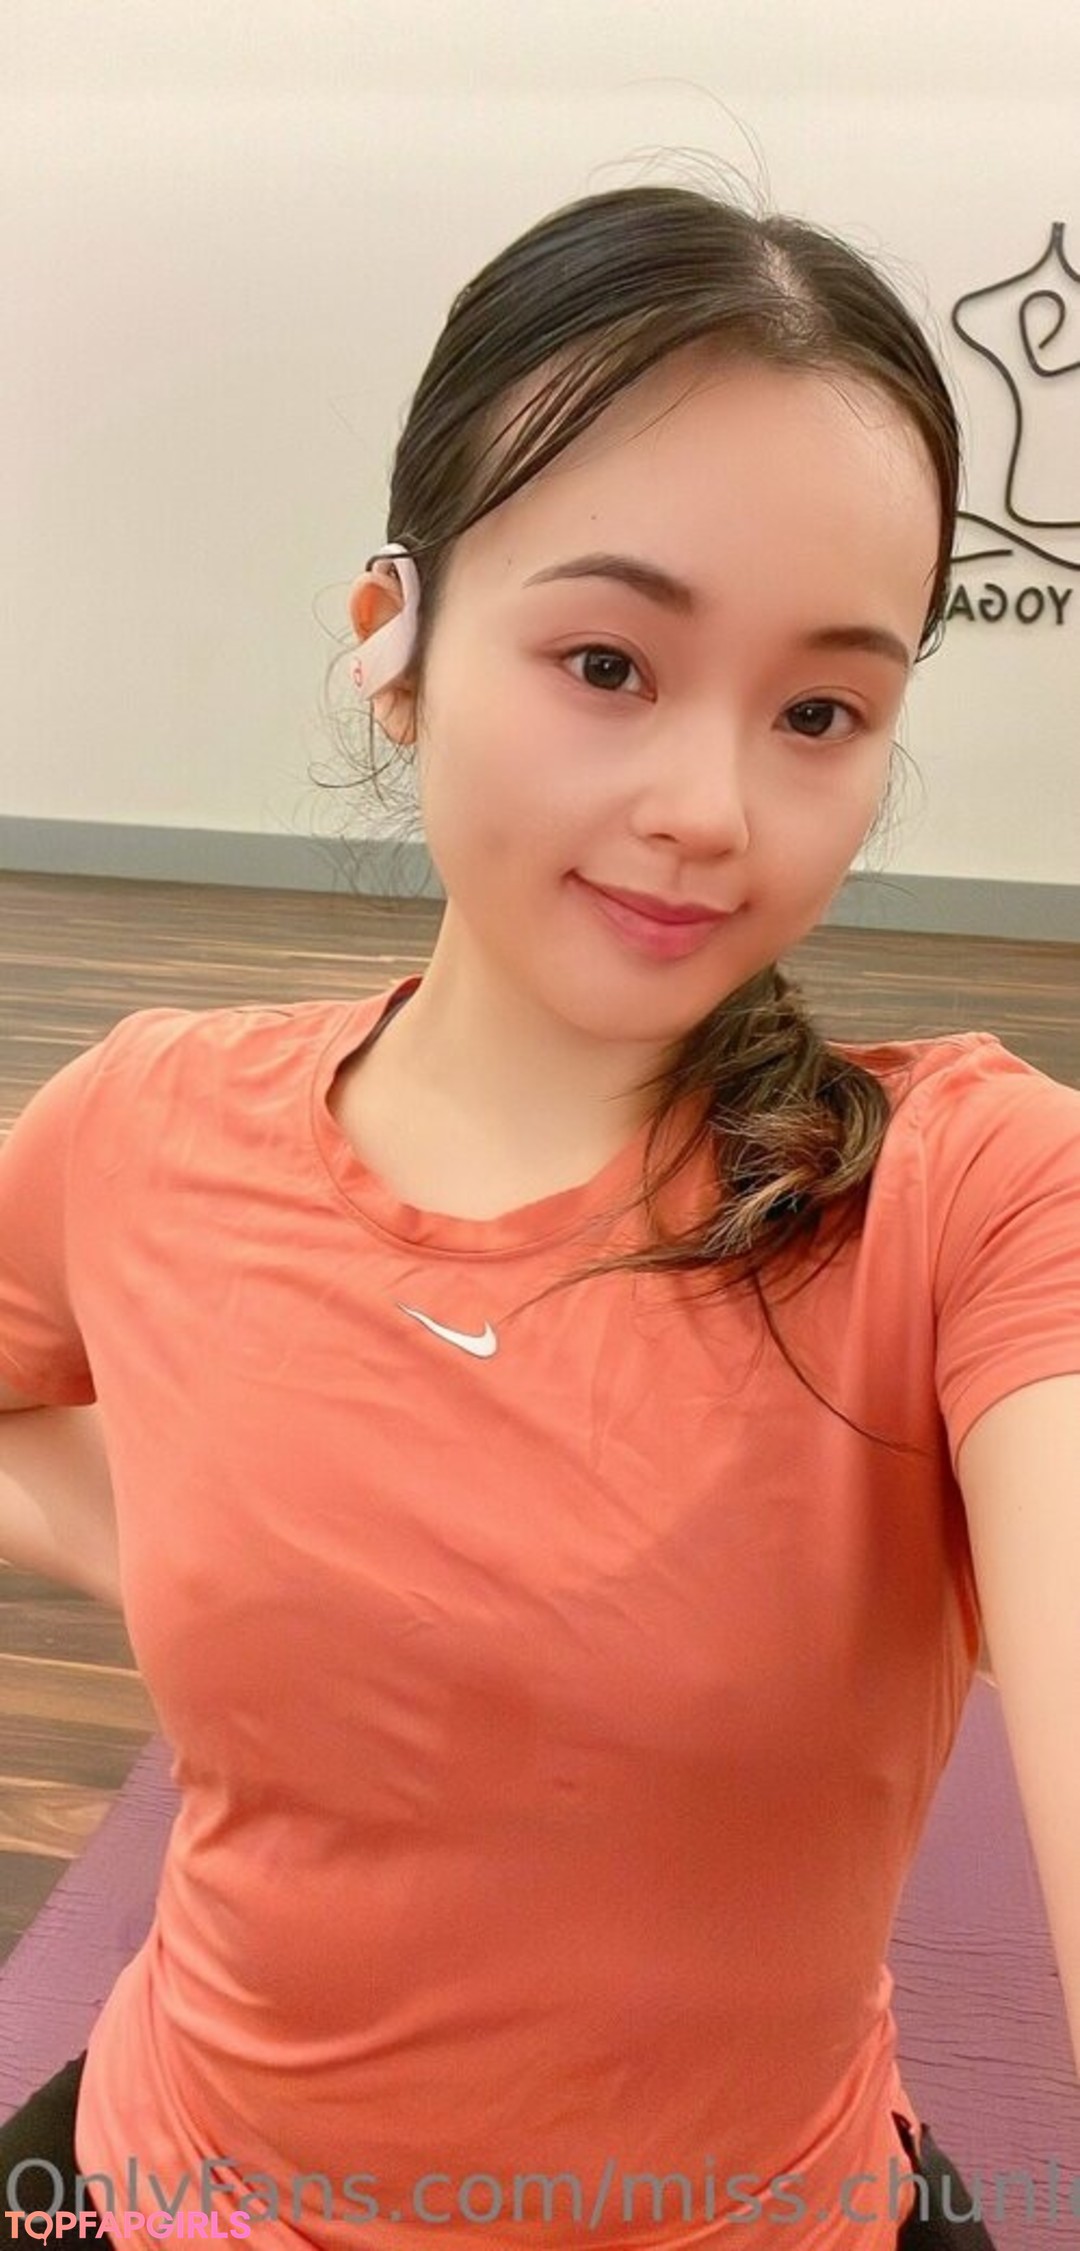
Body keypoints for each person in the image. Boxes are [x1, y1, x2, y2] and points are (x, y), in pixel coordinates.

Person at [5, 176, 1080, 2251]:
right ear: (394, 645)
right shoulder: (143, 1125)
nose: (710, 808)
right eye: (609, 661)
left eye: (820, 713)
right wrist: (159, 1505)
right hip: (162, 2181)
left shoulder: (967, 1196)